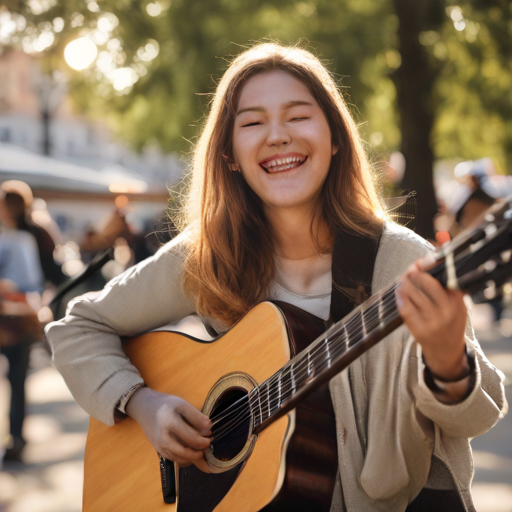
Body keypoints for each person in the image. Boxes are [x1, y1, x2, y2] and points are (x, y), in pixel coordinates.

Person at [45, 44, 506, 511]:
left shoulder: (404, 263)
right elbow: (77, 329)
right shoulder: (208, 258)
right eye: (252, 122)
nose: (278, 136)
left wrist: (450, 364)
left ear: (335, 138)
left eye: (299, 116)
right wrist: (145, 405)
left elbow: (476, 415)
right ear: (229, 156)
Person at [0, 187, 44, 463]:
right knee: (16, 381)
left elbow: (30, 282)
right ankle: (16, 437)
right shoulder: (27, 237)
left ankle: (16, 437)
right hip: (19, 316)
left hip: (15, 318)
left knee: (16, 380)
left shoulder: (21, 239)